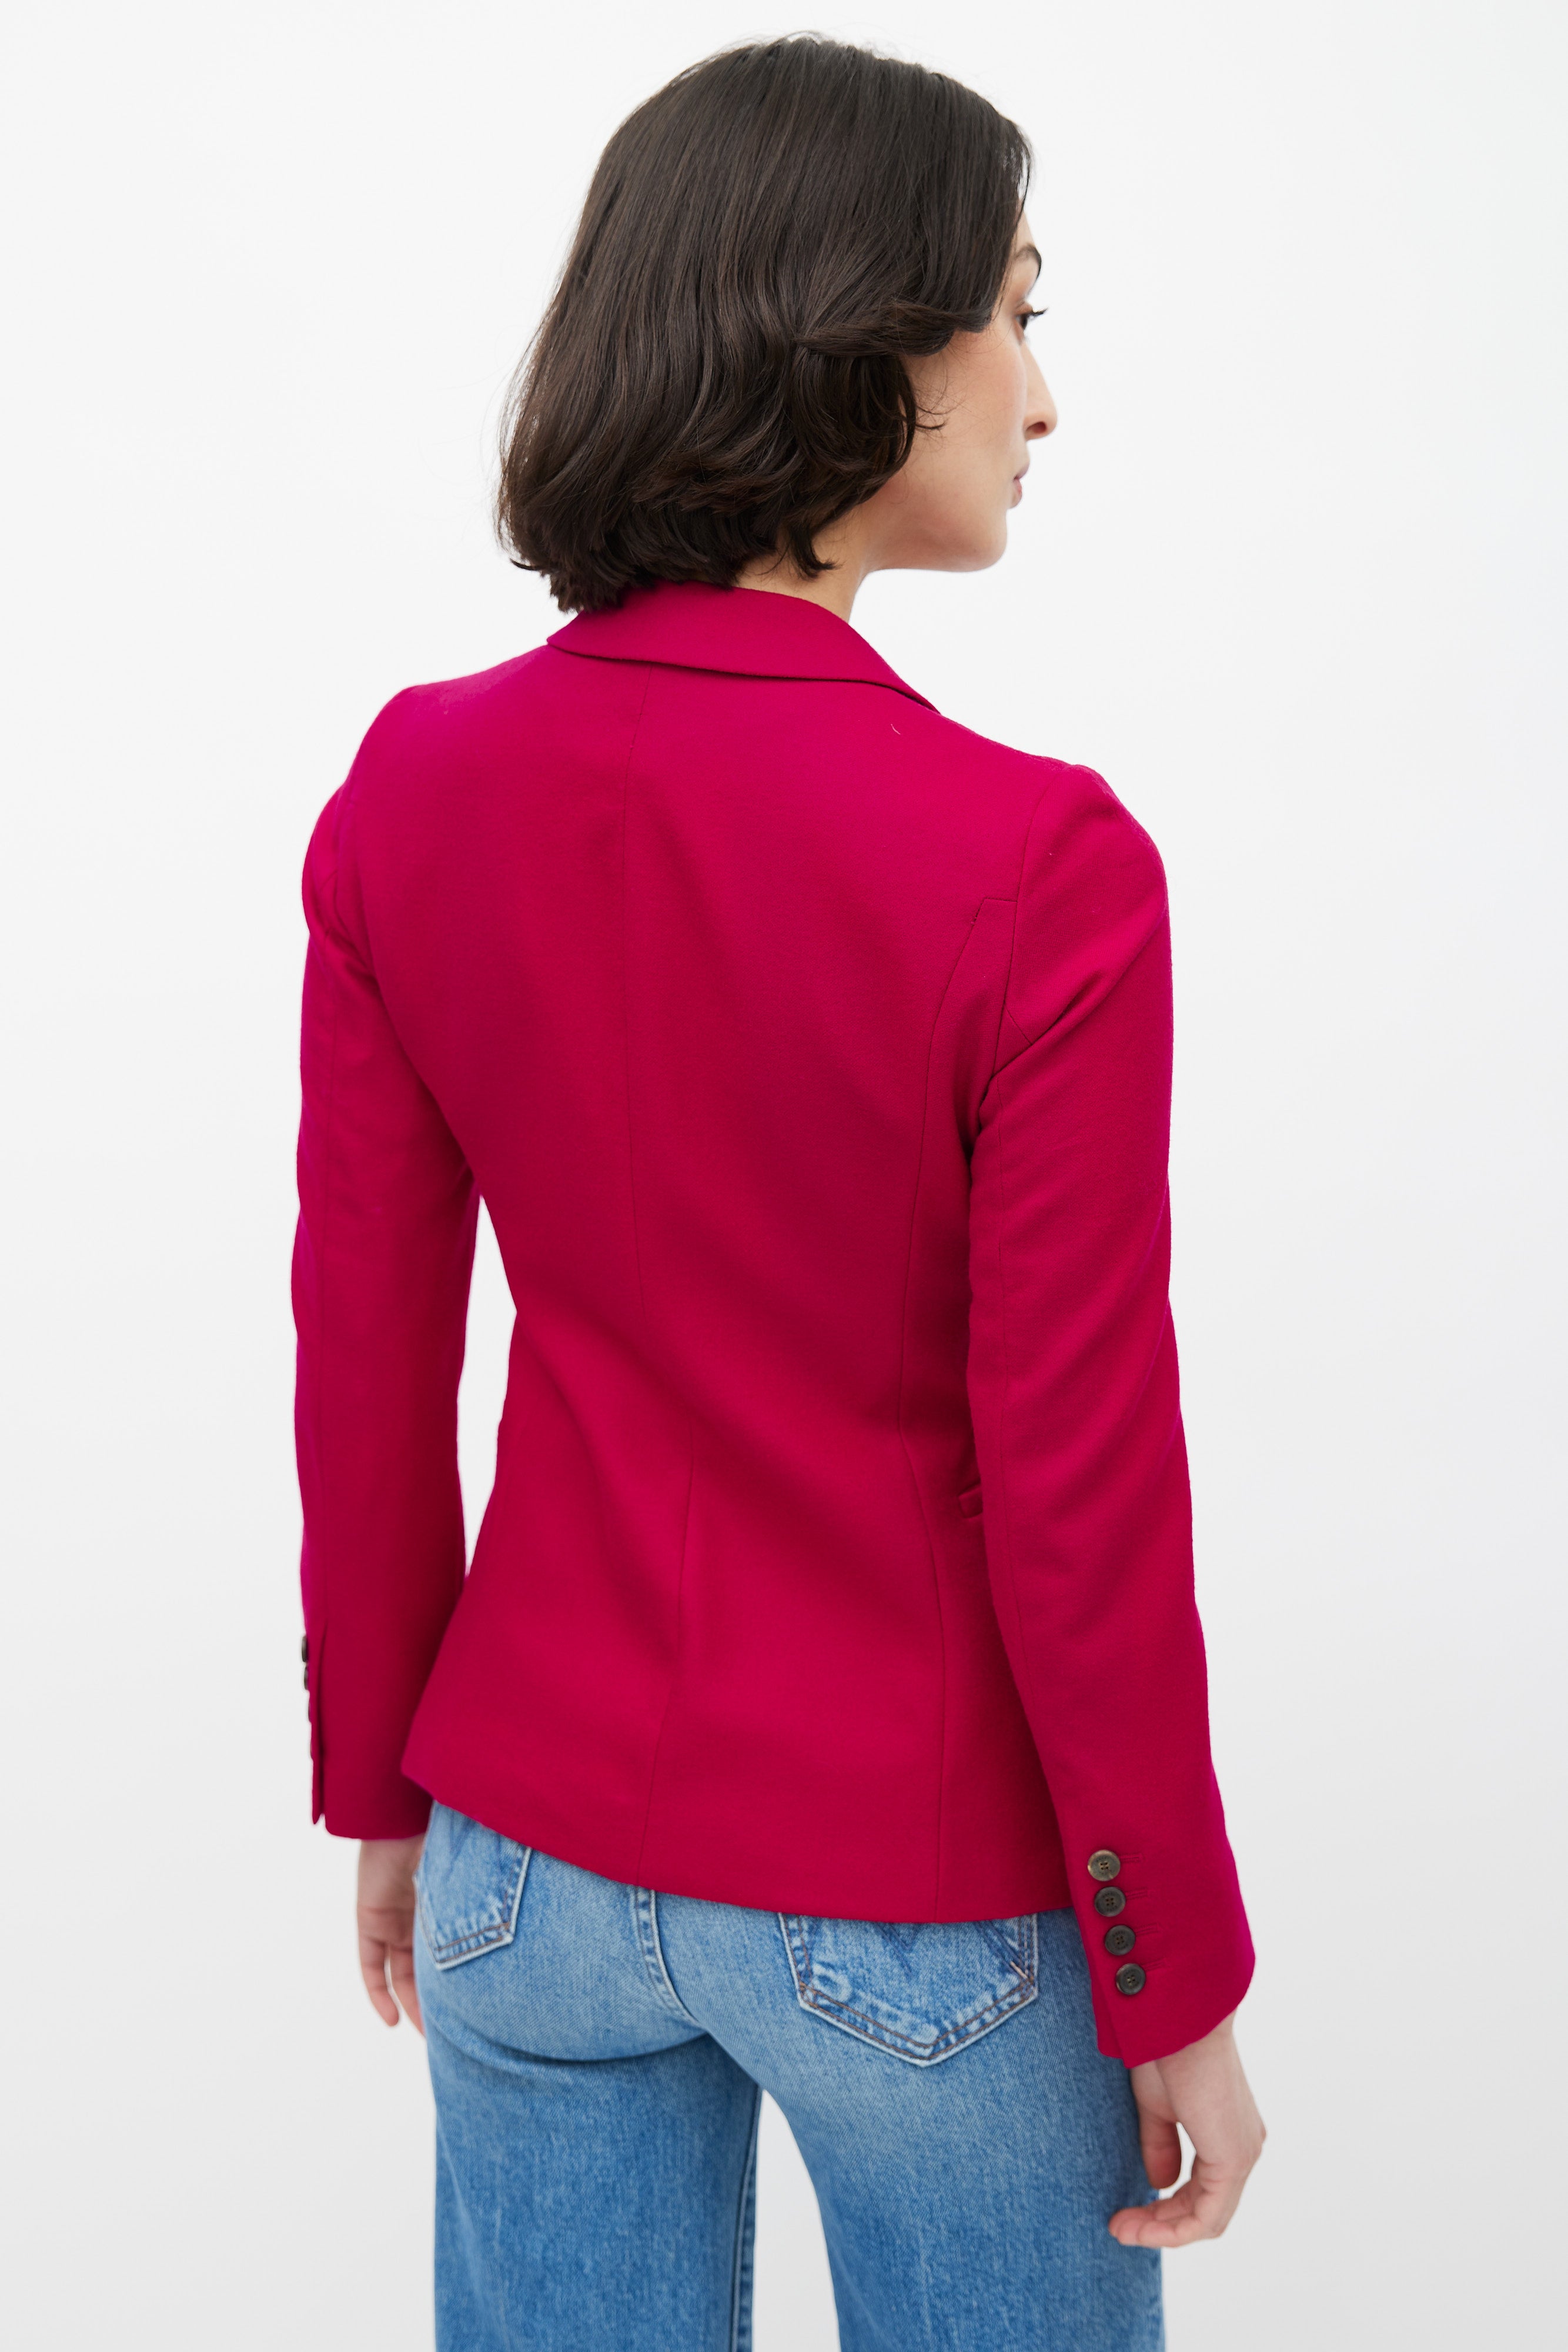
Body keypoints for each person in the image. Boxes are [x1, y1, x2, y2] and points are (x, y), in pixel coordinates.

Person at [293, 35, 1263, 2351]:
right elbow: (1076, 1481)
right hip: (915, 1887)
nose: (1041, 398)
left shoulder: (411, 788)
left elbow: (366, 1356)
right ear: (859, 345)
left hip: (523, 1857)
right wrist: (1174, 1968)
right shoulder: (1035, 861)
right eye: (1012, 316)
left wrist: (384, 1789)